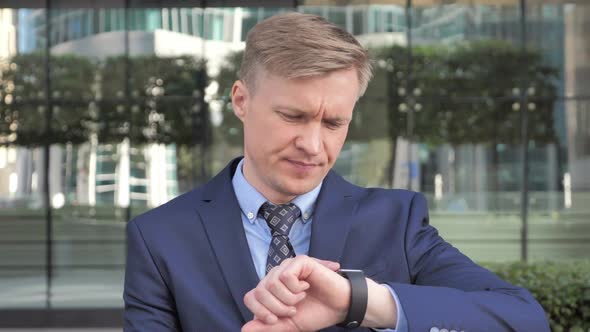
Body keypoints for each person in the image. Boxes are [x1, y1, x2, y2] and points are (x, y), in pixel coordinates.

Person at [123, 12, 550, 332]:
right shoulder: (160, 236)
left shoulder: (395, 221)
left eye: (333, 124)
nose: (313, 145)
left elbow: (524, 319)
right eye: (293, 116)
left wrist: (359, 302)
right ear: (240, 100)